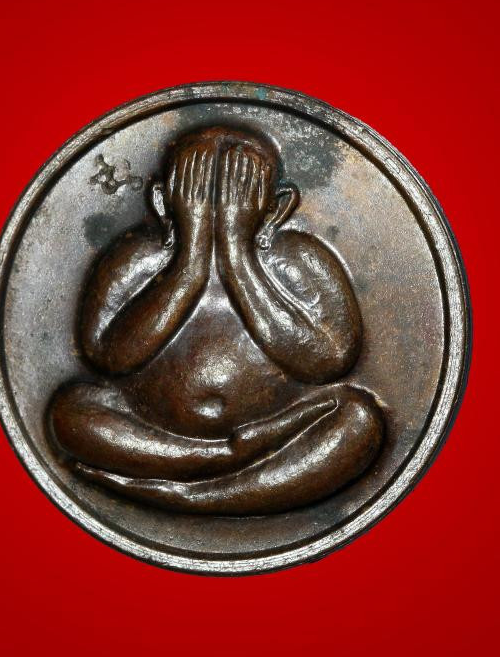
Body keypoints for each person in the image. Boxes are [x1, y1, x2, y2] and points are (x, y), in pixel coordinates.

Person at [48, 126, 383, 514]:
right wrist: (189, 264)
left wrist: (236, 258)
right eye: (199, 200)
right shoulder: (140, 255)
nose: (215, 215)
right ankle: (224, 461)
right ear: (162, 203)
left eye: (234, 202)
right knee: (71, 414)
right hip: (163, 436)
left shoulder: (297, 256)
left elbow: (330, 360)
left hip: (280, 427)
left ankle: (189, 494)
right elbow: (107, 357)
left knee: (359, 421)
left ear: (276, 209)